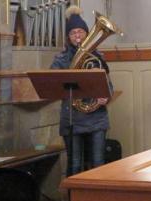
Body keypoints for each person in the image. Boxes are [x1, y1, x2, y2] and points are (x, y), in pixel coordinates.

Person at [51, 5, 112, 176]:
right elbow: (52, 82)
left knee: (98, 164)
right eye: (73, 33)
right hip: (72, 117)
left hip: (96, 117)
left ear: (86, 34)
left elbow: (109, 86)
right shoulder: (60, 60)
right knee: (74, 165)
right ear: (68, 37)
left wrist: (104, 96)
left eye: (80, 32)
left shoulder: (98, 58)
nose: (77, 36)